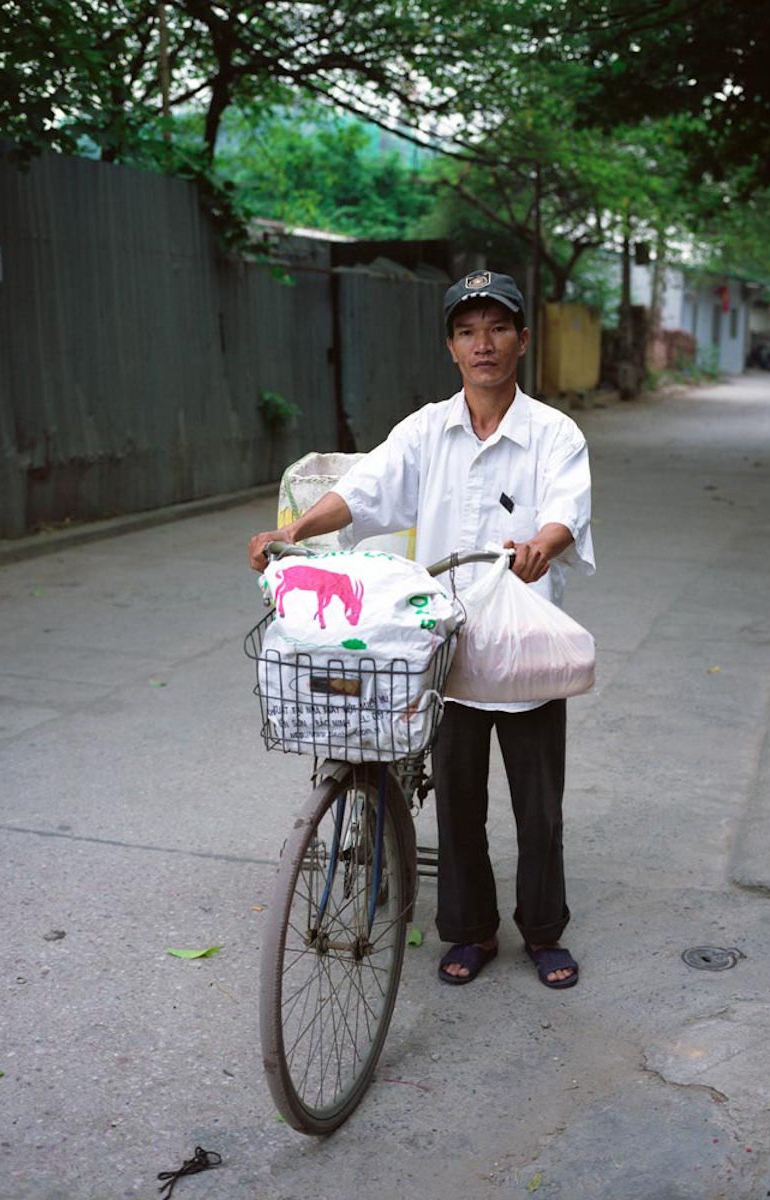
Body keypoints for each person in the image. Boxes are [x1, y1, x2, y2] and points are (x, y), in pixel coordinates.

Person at [248, 269, 594, 989]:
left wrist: (543, 544)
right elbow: (365, 489)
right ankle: (469, 931)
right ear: (451, 346)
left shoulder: (554, 434)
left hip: (525, 643)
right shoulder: (426, 430)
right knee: (459, 802)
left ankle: (543, 931)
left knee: (539, 808)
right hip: (442, 645)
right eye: (468, 332)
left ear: (522, 340)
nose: (484, 344)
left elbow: (568, 510)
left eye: (498, 328)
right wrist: (295, 528)